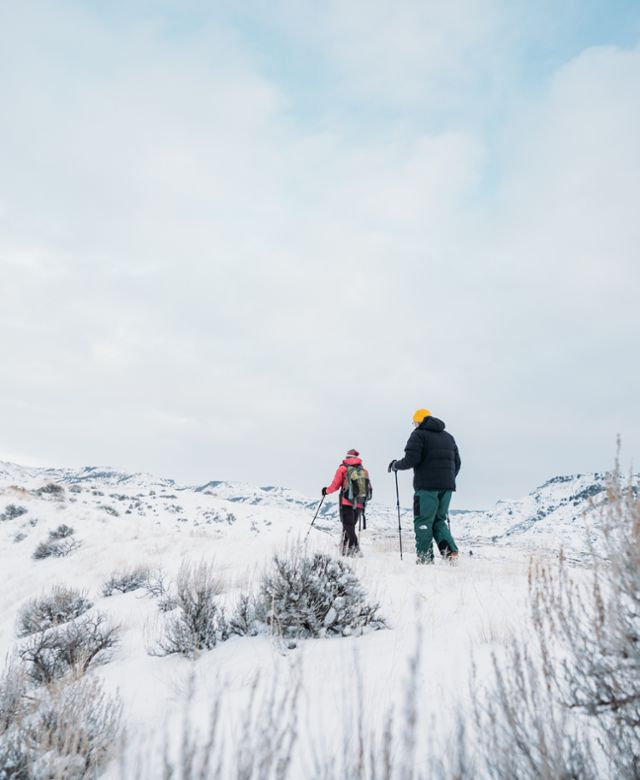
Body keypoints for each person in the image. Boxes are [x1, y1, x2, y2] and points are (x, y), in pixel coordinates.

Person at [388, 409, 460, 564]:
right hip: (447, 487)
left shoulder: (418, 435)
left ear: (419, 421)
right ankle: (450, 553)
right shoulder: (449, 437)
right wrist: (447, 479)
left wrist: (395, 465)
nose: (414, 425)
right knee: (439, 520)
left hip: (427, 487)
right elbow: (457, 463)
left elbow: (410, 460)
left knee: (423, 521)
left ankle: (425, 559)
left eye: (414, 422)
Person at [322, 449, 372, 556]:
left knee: (348, 527)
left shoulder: (343, 468)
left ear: (347, 457)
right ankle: (344, 552)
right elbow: (368, 488)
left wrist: (326, 491)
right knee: (349, 527)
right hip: (359, 503)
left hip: (346, 503)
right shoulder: (364, 471)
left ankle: (356, 550)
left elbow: (335, 486)